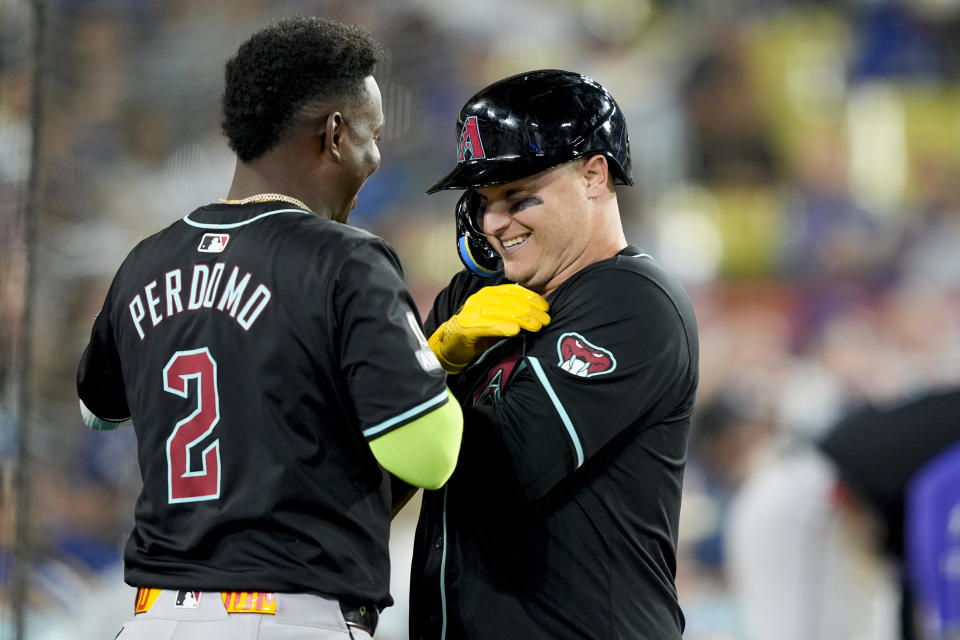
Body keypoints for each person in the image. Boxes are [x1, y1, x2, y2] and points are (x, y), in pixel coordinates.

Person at [76, 16, 463, 640]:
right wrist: (436, 363)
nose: (378, 156)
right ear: (335, 134)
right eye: (374, 135)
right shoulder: (347, 259)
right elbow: (429, 455)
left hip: (155, 619)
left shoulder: (146, 259)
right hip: (289, 617)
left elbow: (99, 410)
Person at [401, 69, 700, 639]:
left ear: (593, 175)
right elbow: (375, 470)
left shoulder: (636, 302)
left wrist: (417, 377)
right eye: (482, 200)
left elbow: (502, 469)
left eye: (517, 197)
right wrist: (433, 362)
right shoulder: (468, 297)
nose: (492, 223)